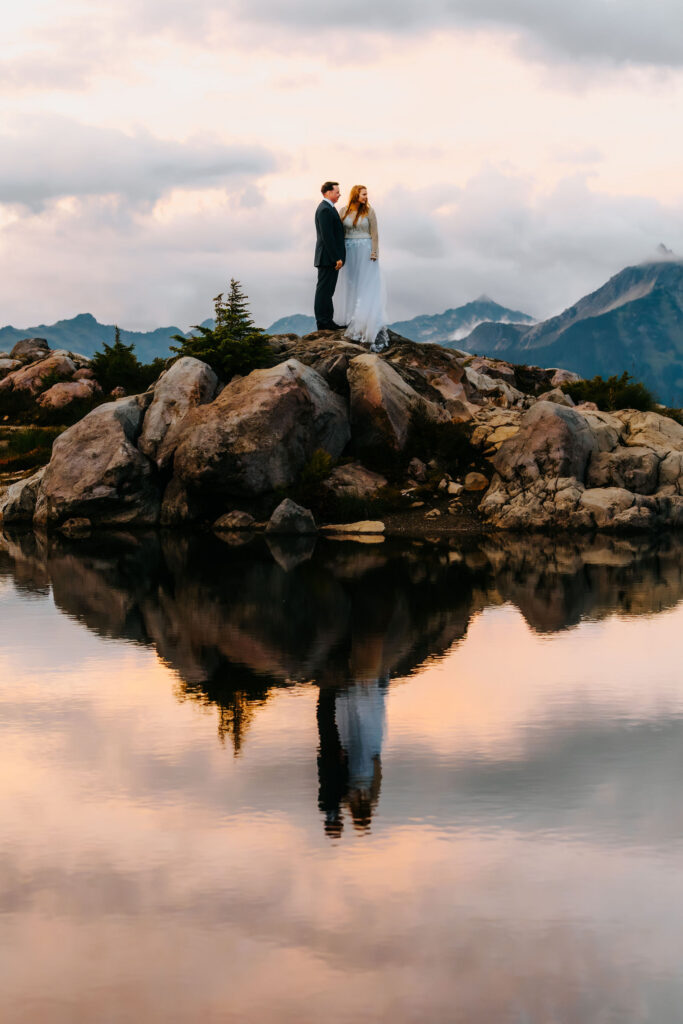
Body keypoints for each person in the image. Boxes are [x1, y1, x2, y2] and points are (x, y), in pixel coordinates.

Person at [336, 185, 389, 351]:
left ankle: (366, 321)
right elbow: (339, 232)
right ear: (356, 195)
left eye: (366, 194)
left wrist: (375, 252)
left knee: (366, 285)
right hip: (349, 251)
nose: (366, 197)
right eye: (363, 194)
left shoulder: (369, 212)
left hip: (365, 251)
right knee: (351, 284)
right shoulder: (343, 211)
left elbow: (375, 234)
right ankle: (352, 318)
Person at [314, 181, 346, 331]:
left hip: (328, 258)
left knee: (328, 291)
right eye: (337, 192)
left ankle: (327, 320)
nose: (339, 194)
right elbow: (328, 237)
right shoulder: (325, 210)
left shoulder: (329, 208)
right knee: (324, 291)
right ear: (327, 193)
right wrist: (336, 258)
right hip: (327, 258)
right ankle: (323, 322)